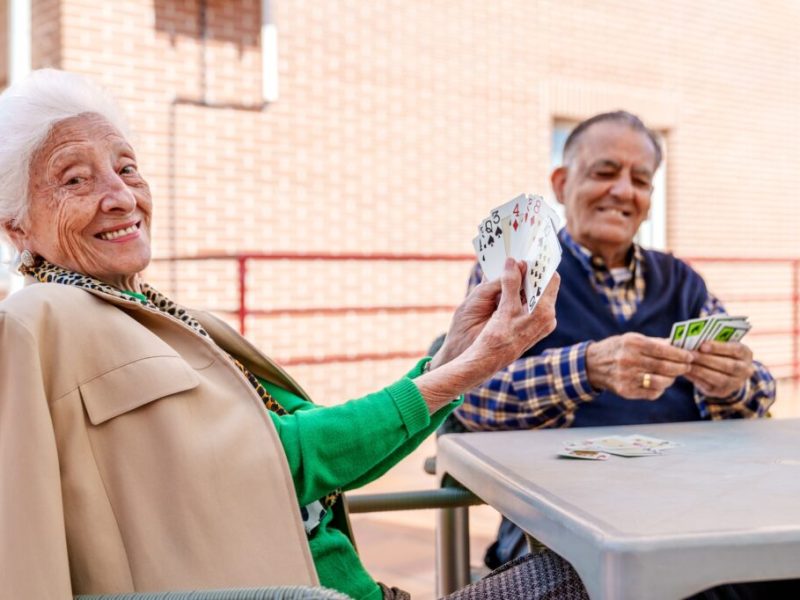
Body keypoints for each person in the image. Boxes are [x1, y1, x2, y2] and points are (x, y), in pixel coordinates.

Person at [0, 69, 595, 600]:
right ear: (16, 227)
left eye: (127, 167)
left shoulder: (153, 311)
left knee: (582, 571)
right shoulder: (49, 319)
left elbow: (308, 453)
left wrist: (456, 352)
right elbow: (280, 461)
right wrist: (467, 370)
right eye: (75, 180)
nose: (122, 195)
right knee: (584, 577)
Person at [454, 111, 777, 569]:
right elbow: (470, 397)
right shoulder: (519, 272)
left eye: (640, 181)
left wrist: (732, 384)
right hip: (558, 528)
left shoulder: (682, 281)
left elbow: (760, 390)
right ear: (562, 184)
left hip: (696, 507)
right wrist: (585, 368)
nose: (624, 191)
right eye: (605, 172)